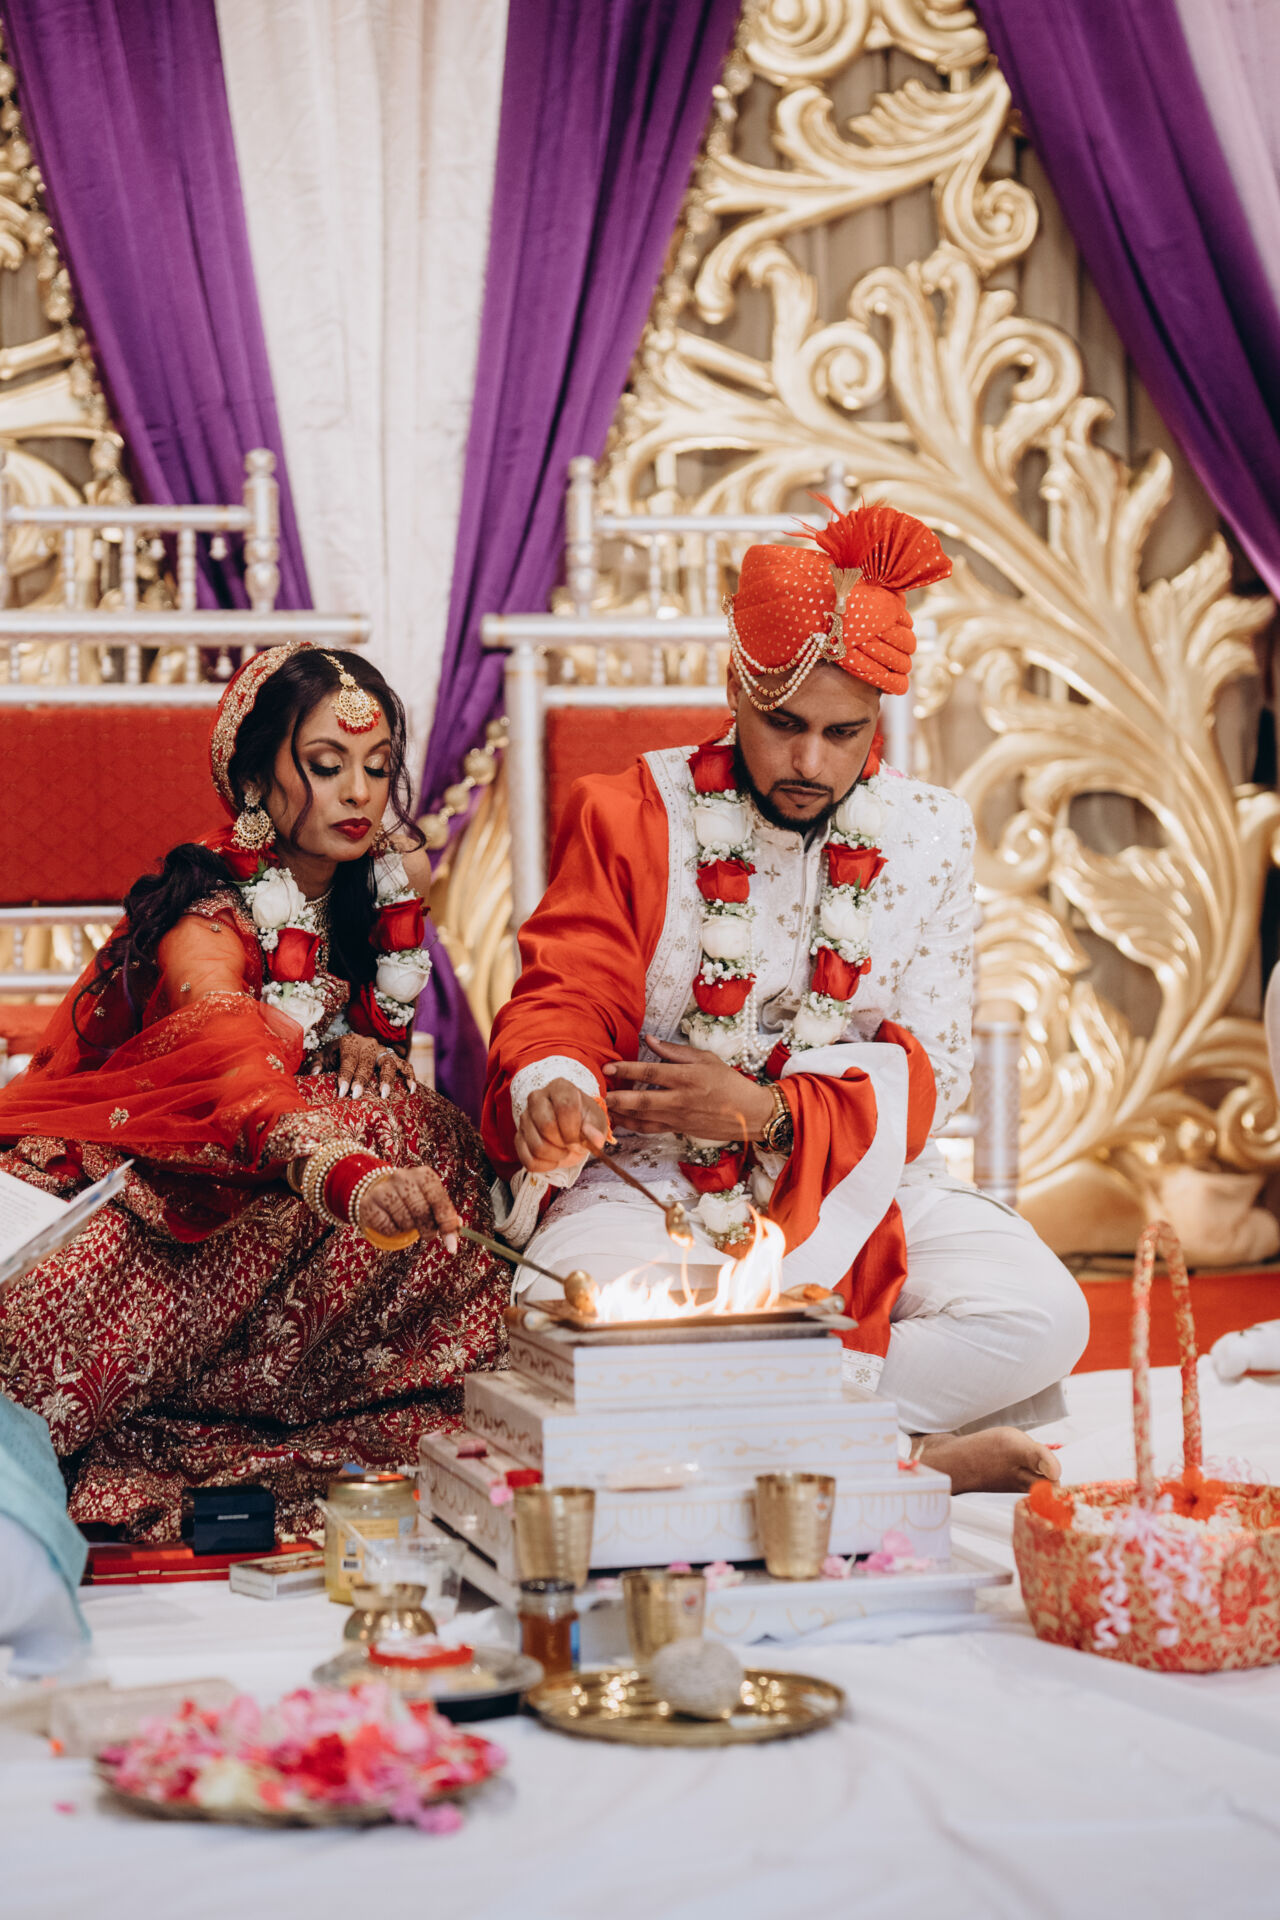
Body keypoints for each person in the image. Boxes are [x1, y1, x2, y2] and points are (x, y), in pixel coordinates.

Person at [483, 499, 1089, 1494]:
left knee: (1043, 1316)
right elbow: (567, 988)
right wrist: (552, 1083)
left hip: (859, 1176)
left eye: (844, 732)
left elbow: (934, 1071)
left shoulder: (929, 834)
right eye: (783, 725)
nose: (810, 763)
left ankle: (798, 1441)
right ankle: (893, 1454)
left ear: (878, 716)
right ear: (735, 687)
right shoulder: (633, 811)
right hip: (651, 1178)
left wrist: (769, 1115)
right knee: (568, 1318)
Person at [0, 643, 506, 1539]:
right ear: (252, 780)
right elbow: (231, 1054)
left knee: (424, 1132)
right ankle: (151, 1420)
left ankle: (310, 1402)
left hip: (289, 1181)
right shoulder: (206, 917)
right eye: (326, 765)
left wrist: (350, 1043)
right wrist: (345, 1172)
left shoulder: (381, 886)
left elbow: (338, 1023)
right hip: (161, 1175)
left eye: (377, 766)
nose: (359, 793)